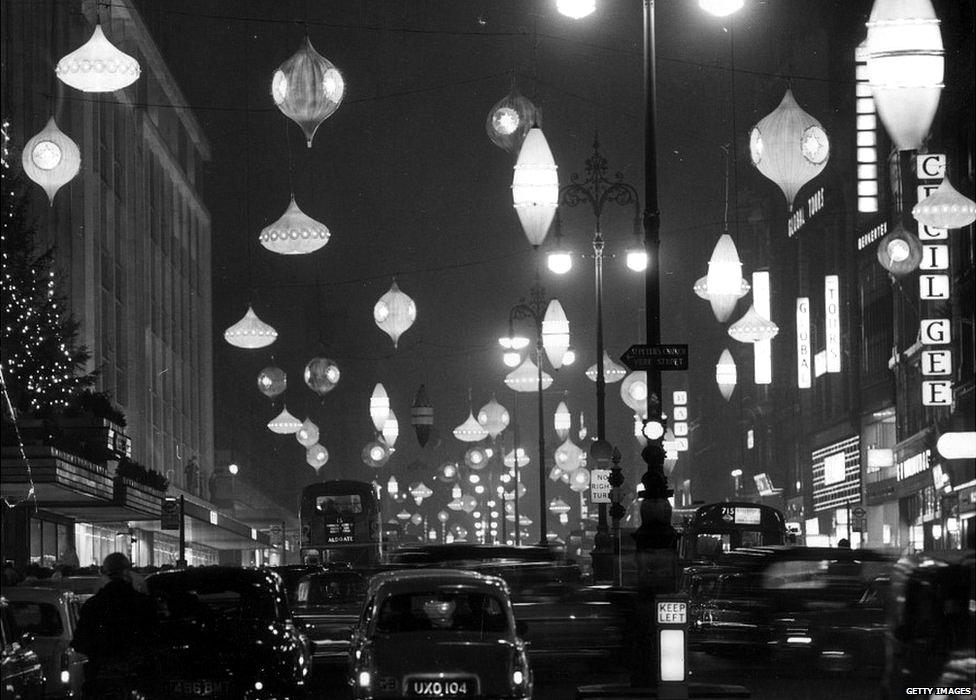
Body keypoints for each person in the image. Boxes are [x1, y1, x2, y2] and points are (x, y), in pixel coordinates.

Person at [71, 552, 159, 698]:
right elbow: (154, 634)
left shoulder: (94, 605)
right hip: (136, 670)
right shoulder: (143, 603)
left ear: (105, 574)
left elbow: (80, 641)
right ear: (127, 572)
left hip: (104, 673)